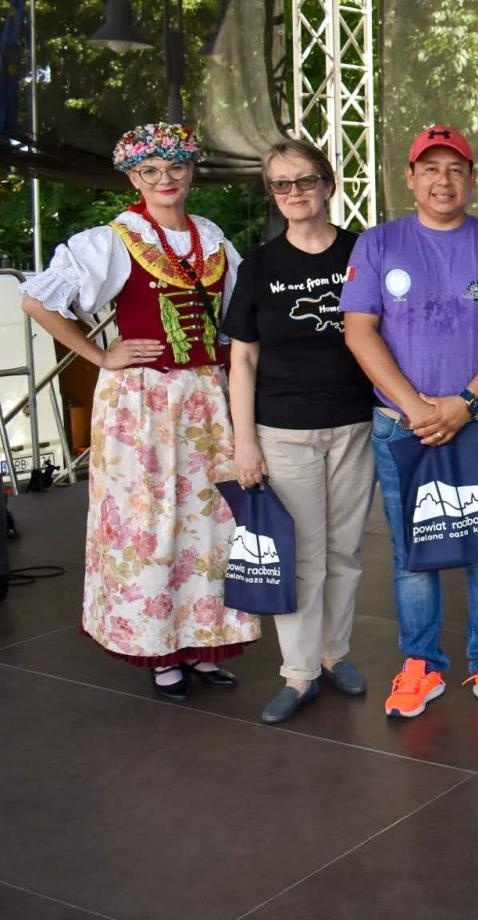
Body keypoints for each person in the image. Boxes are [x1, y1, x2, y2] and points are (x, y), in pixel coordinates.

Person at [19, 123, 259, 699]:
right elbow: (36, 299)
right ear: (133, 178)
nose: (164, 180)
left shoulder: (212, 237)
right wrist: (100, 353)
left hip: (204, 396)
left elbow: (239, 317)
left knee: (209, 521)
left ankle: (202, 641)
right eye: (150, 171)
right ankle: (159, 651)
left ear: (191, 171)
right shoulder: (112, 240)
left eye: (175, 167)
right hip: (141, 399)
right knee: (147, 521)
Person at [341, 125, 478, 720]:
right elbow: (359, 330)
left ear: (472, 179)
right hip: (403, 426)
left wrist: (466, 404)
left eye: (455, 169)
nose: (443, 180)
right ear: (410, 177)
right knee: (409, 552)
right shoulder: (376, 244)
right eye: (431, 168)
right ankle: (420, 665)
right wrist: (417, 407)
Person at [224, 139, 375, 723]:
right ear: (272, 195)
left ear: (329, 184)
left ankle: (336, 655)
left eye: (304, 181)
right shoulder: (259, 266)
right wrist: (245, 441)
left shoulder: (364, 254)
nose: (294, 193)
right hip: (284, 431)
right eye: (281, 185)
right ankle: (299, 672)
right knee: (302, 556)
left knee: (346, 553)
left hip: (355, 425)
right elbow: (242, 360)